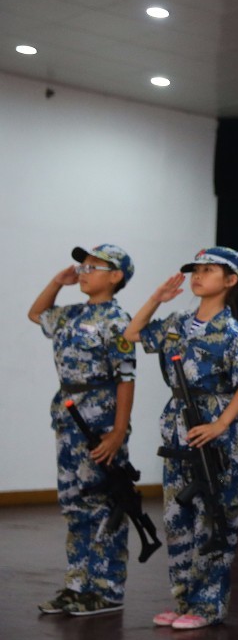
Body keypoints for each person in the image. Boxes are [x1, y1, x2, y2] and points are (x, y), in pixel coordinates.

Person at [125, 247, 238, 630]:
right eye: (195, 270)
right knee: (176, 517)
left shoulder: (231, 331)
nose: (198, 276)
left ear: (230, 280)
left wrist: (221, 424)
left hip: (211, 427)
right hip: (177, 427)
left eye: (208, 270)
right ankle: (184, 597)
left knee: (213, 517)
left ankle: (208, 605)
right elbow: (132, 333)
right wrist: (157, 298)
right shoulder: (177, 321)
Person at [29, 244, 138, 616]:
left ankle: (106, 590)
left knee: (103, 502)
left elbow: (126, 377)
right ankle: (77, 584)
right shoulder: (70, 314)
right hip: (68, 415)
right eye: (83, 265)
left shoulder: (118, 320)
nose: (85, 271)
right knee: (73, 503)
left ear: (116, 276)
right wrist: (57, 282)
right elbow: (36, 313)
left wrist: (119, 431)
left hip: (101, 420)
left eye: (95, 266)